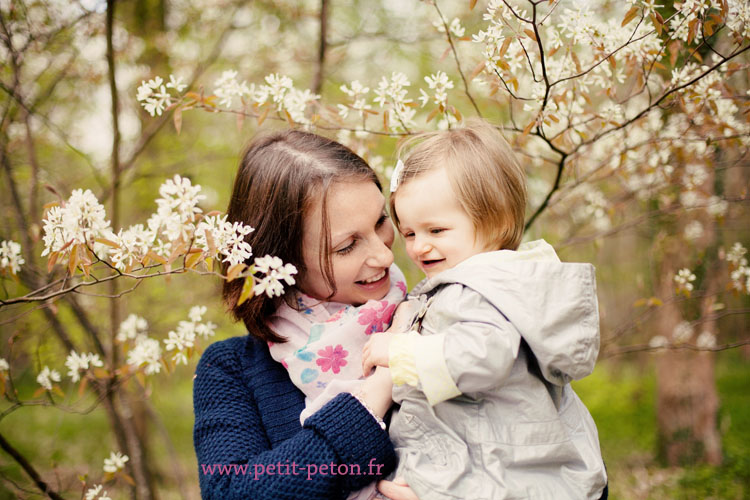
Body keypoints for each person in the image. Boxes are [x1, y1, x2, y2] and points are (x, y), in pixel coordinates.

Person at [362, 119, 609, 499]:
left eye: (436, 231)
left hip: (502, 476)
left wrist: (398, 352)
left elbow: (481, 357)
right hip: (493, 467)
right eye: (409, 233)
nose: (418, 247)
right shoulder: (479, 285)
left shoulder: (480, 289)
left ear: (495, 221)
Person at [193, 129, 414, 500]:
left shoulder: (431, 311)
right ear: (284, 261)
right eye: (347, 246)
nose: (385, 256)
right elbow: (231, 493)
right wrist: (372, 400)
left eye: (380, 222)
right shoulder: (231, 370)